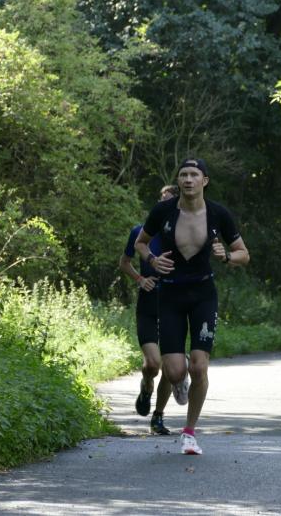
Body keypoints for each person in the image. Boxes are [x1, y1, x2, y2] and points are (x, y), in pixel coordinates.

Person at [134, 158, 249, 455]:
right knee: (174, 373)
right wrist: (152, 260)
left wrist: (226, 257)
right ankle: (179, 373)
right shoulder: (163, 211)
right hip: (170, 295)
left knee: (199, 367)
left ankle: (189, 433)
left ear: (204, 181)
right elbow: (140, 244)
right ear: (179, 180)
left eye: (194, 175)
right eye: (183, 175)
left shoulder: (218, 214)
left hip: (203, 295)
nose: (188, 179)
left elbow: (243, 254)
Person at [120, 184, 179, 435]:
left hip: (174, 305)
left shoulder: (182, 235)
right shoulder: (139, 232)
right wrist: (140, 279)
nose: (162, 203)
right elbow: (124, 263)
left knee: (171, 368)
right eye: (160, 199)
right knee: (153, 365)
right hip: (148, 305)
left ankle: (158, 417)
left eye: (168, 200)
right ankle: (146, 387)